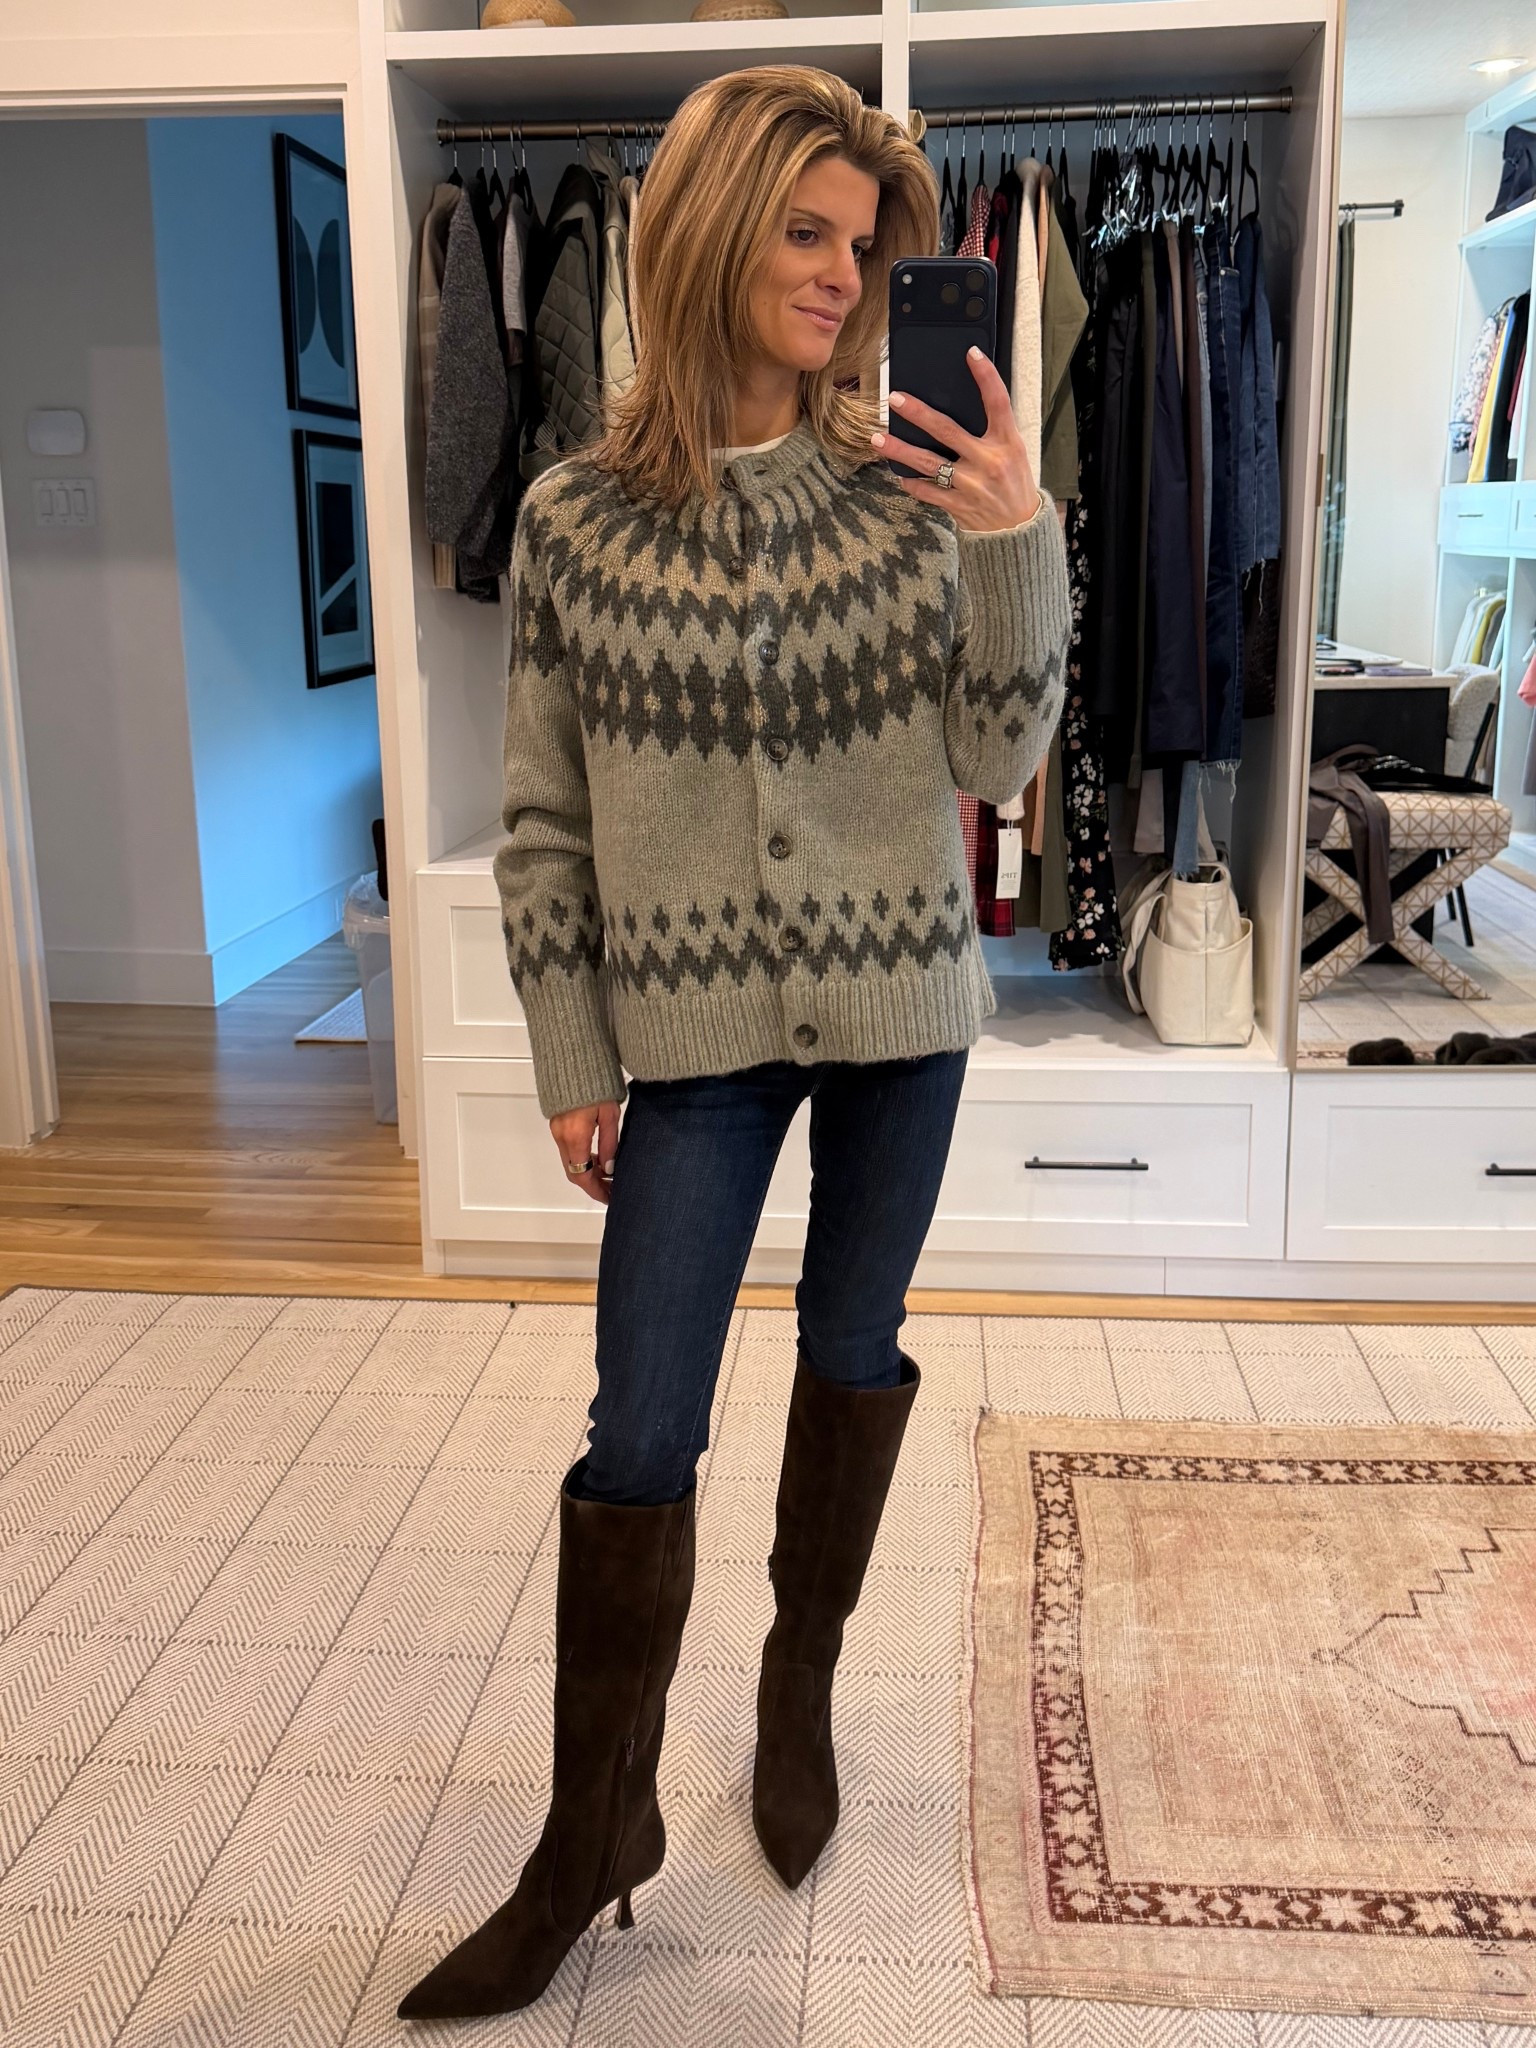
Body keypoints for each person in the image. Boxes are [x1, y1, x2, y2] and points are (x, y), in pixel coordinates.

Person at [398, 63, 1069, 2022]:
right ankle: (590, 1826)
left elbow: (999, 755)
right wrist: (569, 1047)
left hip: (903, 1017)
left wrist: (1017, 531)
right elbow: (544, 820)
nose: (841, 272)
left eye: (863, 243)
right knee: (641, 1428)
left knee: (851, 1350)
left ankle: (797, 1682)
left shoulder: (910, 487)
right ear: (706, 232)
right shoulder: (575, 521)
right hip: (688, 1033)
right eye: (804, 229)